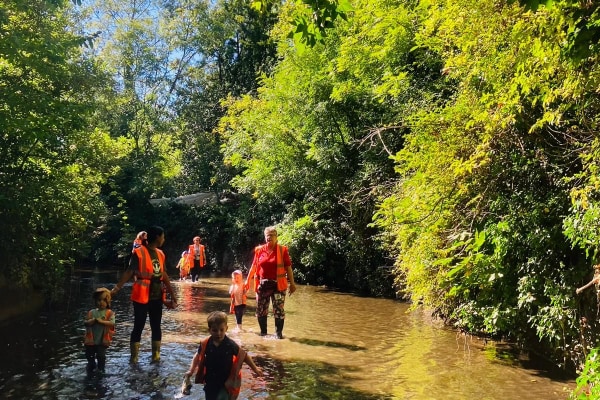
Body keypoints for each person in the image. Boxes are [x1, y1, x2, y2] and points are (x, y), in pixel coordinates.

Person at [111, 225, 178, 364]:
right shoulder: (139, 252)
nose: (164, 239)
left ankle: (156, 357)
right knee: (139, 325)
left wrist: (172, 293)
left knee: (156, 325)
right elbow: (130, 271)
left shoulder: (161, 253)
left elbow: (164, 275)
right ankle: (134, 358)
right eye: (163, 236)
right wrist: (116, 288)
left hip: (156, 295)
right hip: (141, 294)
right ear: (158, 237)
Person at [181, 311, 262, 399]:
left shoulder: (230, 345)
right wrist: (191, 371)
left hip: (225, 382)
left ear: (226, 328)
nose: (218, 333)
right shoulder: (206, 343)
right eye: (215, 330)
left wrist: (255, 369)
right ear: (209, 330)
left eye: (221, 330)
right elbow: (197, 356)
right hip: (210, 381)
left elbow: (244, 356)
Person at [245, 226, 296, 339]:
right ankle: (264, 334)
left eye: (272, 235)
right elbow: (254, 267)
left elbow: (288, 268)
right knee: (261, 310)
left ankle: (278, 335)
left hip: (278, 286)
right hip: (262, 285)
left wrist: (292, 284)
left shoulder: (283, 250)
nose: (269, 237)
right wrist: (247, 281)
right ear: (265, 237)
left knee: (278, 310)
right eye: (267, 235)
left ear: (276, 237)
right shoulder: (259, 250)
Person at [84, 287, 115, 374]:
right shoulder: (91, 312)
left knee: (101, 355)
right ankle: (91, 364)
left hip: (102, 340)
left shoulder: (109, 313)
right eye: (98, 300)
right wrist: (92, 321)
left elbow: (112, 323)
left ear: (108, 301)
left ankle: (101, 368)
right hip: (91, 340)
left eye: (103, 300)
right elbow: (86, 322)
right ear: (95, 301)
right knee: (89, 354)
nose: (101, 302)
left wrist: (102, 321)